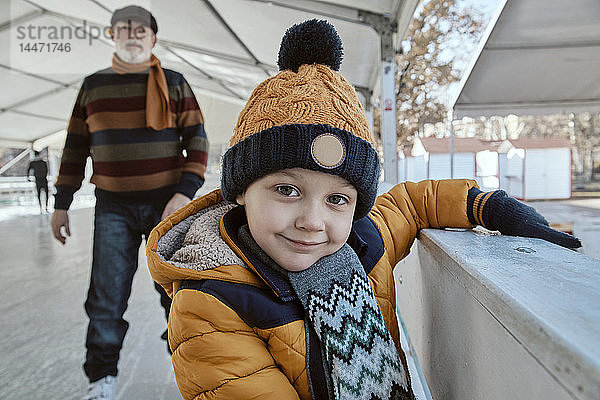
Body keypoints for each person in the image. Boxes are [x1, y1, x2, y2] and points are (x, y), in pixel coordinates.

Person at [146, 20, 581, 400]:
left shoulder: (362, 240)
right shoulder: (209, 306)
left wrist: (489, 207)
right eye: (286, 189)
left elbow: (412, 202)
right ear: (239, 191)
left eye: (337, 198)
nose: (313, 222)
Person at [50, 5, 208, 400]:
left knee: (177, 292)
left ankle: (192, 369)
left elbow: (198, 142)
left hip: (167, 206)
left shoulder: (174, 82)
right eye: (124, 28)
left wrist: (183, 194)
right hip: (113, 206)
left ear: (153, 38)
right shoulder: (93, 86)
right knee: (106, 296)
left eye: (141, 28)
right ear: (112, 36)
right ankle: (102, 378)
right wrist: (61, 202)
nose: (132, 33)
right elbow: (74, 147)